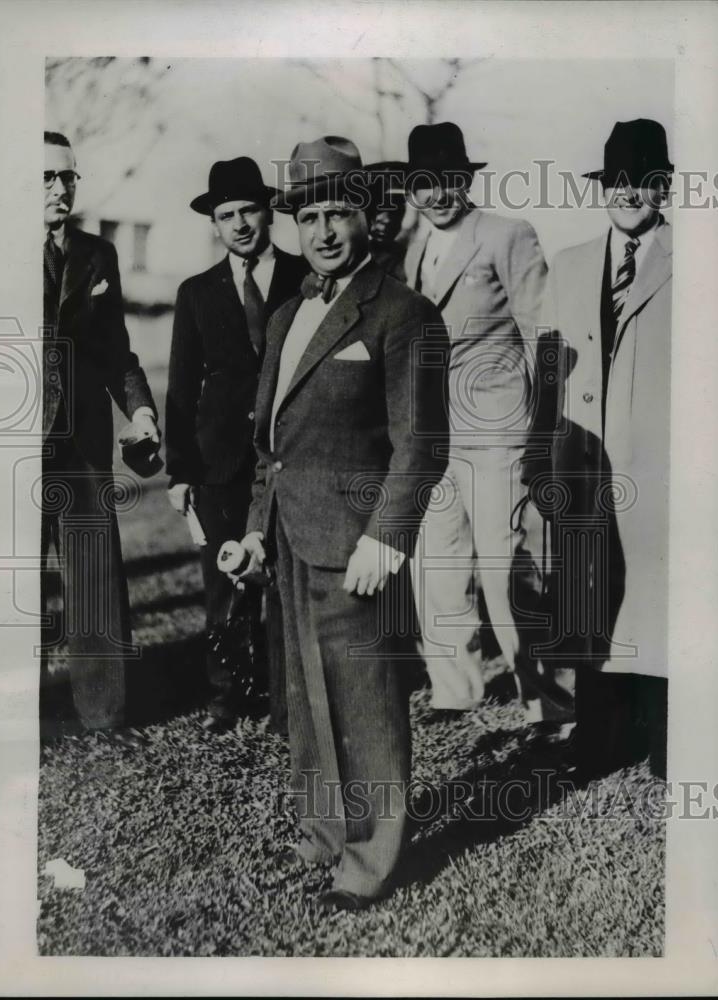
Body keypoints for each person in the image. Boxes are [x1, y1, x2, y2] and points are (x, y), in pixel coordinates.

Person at [223, 136, 448, 910]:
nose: (322, 230)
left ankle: (371, 859)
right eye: (309, 214)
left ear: (369, 218)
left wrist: (387, 537)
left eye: (338, 213)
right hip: (290, 538)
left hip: (357, 547)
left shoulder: (403, 314)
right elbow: (269, 444)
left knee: (365, 702)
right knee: (305, 695)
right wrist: (256, 531)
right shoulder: (288, 314)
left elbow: (421, 446)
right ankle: (322, 832)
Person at [403, 122, 571, 724]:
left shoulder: (507, 234)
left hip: (498, 433)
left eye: (450, 181)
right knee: (437, 566)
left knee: (507, 571)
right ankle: (455, 689)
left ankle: (547, 703)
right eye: (424, 184)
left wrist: (541, 433)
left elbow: (546, 337)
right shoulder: (414, 249)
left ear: (466, 181)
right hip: (431, 436)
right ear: (410, 191)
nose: (438, 195)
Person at [526, 119, 673, 779]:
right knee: (589, 599)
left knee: (661, 598)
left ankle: (670, 740)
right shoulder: (573, 264)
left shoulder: (696, 260)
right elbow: (549, 370)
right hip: (583, 467)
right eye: (616, 182)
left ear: (664, 186)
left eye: (642, 182)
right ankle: (600, 742)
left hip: (663, 472)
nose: (628, 193)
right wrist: (538, 458)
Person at [165, 157, 308, 733]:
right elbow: (179, 386)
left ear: (268, 210)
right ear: (214, 224)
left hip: (289, 449)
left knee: (287, 579)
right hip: (218, 459)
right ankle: (226, 696)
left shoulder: (306, 277)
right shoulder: (196, 292)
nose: (241, 223)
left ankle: (287, 701)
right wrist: (179, 472)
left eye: (249, 209)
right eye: (227, 215)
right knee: (225, 575)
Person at [41, 130, 161, 743]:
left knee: (93, 575)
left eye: (68, 177)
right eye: (44, 178)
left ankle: (104, 715)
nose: (60, 189)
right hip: (15, 443)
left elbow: (117, 353)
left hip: (83, 445)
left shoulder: (98, 256)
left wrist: (139, 412)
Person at [364, 161, 408, 280]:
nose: (387, 220)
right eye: (378, 209)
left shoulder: (408, 258)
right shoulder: (350, 254)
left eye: (396, 210)